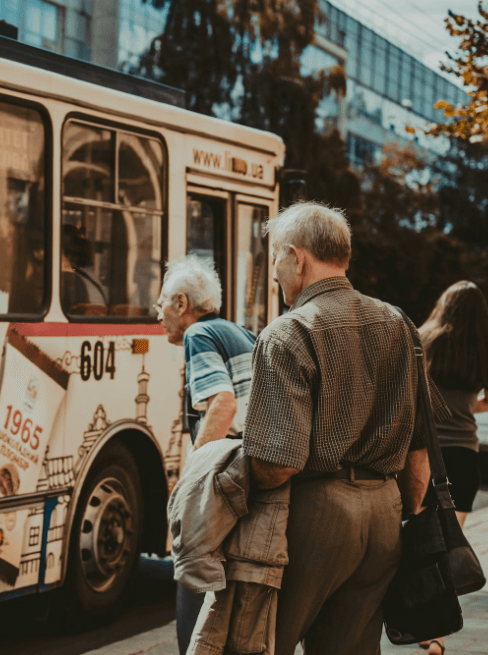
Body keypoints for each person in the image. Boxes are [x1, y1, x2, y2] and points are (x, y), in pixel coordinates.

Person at [242, 201, 447, 655]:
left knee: (262, 642)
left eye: (274, 256)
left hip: (316, 514)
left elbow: (277, 464)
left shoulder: (288, 333)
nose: (273, 270)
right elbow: (419, 448)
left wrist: (229, 481)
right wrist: (407, 516)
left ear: (297, 257)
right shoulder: (399, 323)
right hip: (384, 514)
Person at [155, 254, 256, 655]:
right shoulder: (239, 332)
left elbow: (223, 405)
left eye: (162, 301)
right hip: (252, 470)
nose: (157, 312)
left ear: (181, 304)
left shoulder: (199, 336)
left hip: (230, 470)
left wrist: (191, 479)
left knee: (193, 576)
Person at [417, 280, 488, 655]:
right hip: (465, 457)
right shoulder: (486, 349)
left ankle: (415, 616)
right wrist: (465, 409)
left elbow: (412, 395)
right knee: (450, 545)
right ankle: (438, 634)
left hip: (425, 455)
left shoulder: (424, 339)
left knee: (418, 539)